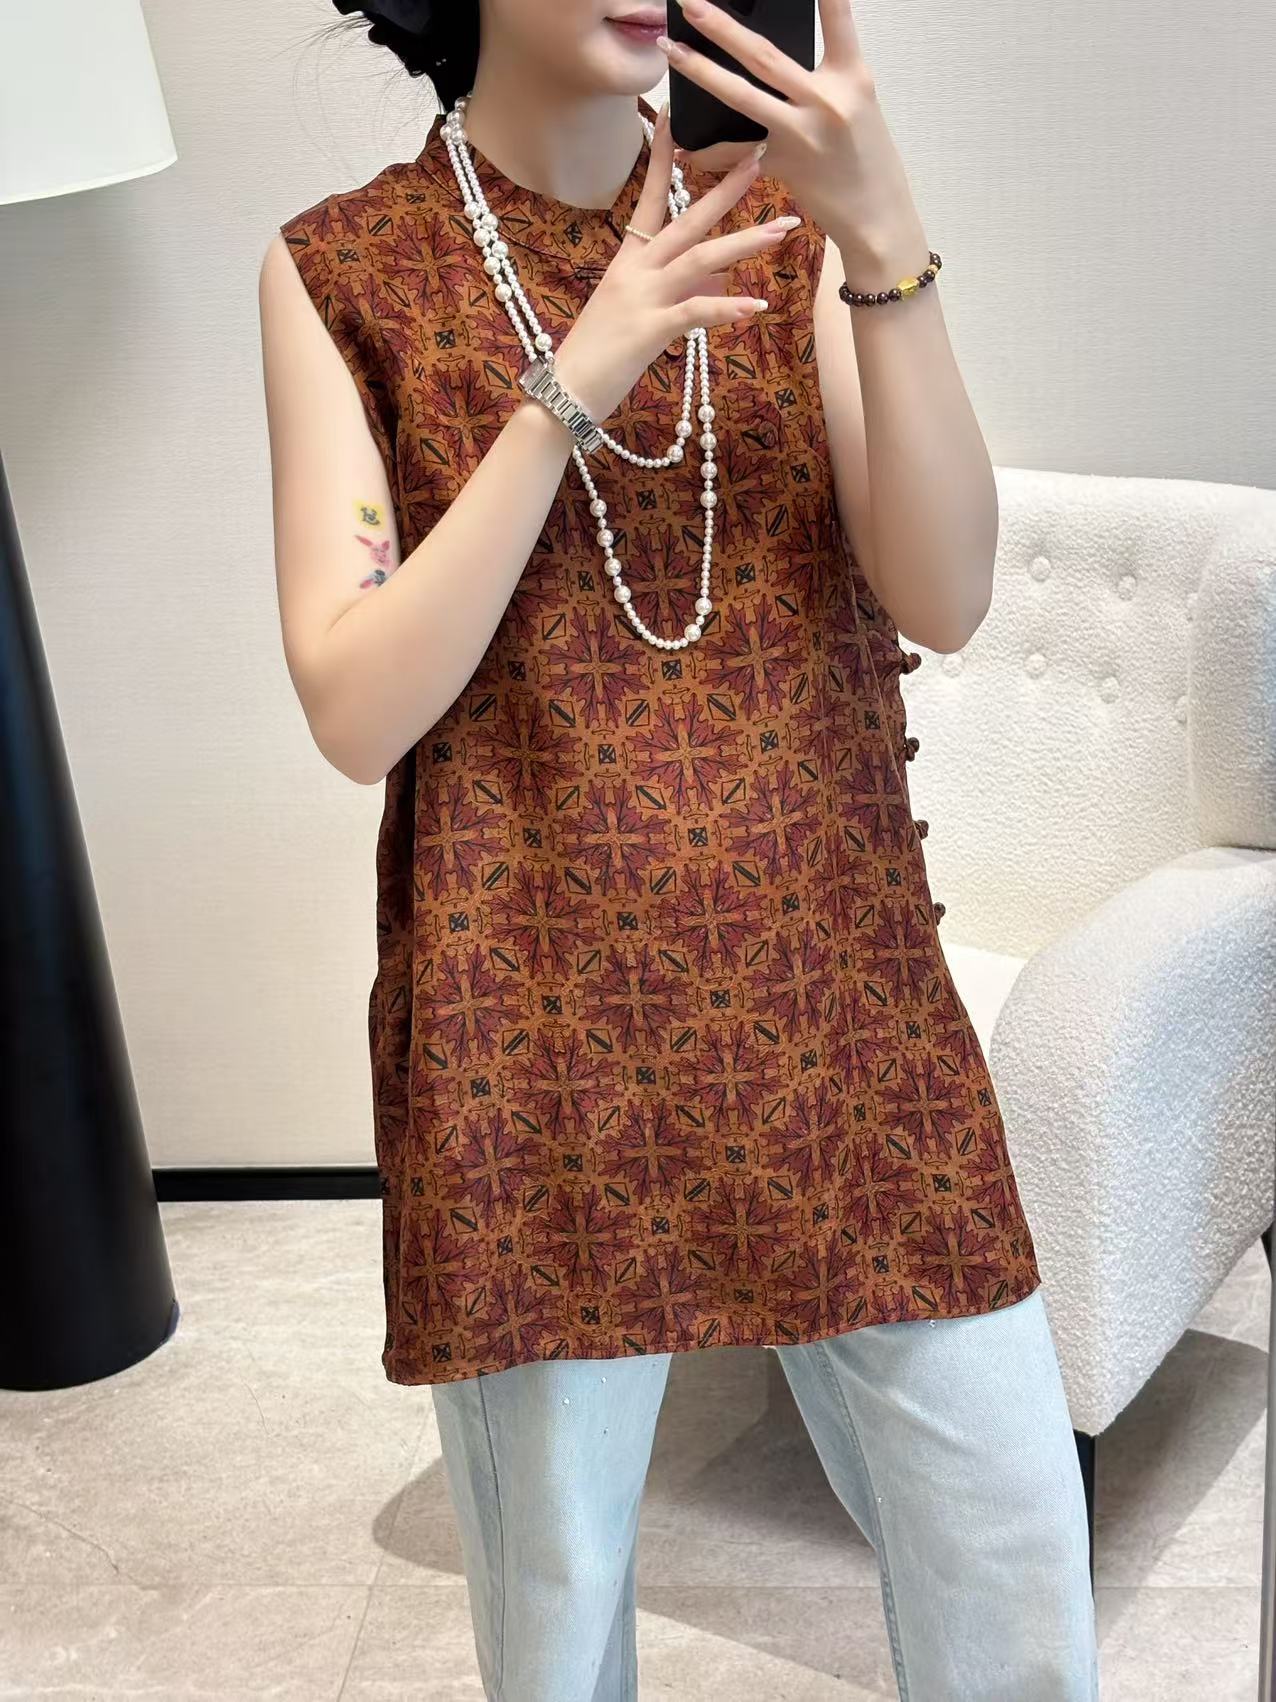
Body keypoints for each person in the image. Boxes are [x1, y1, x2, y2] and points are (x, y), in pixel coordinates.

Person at [259, 1, 1099, 1694]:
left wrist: (884, 236)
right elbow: (354, 706)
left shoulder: (786, 232)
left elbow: (946, 595)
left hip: (846, 1013)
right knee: (561, 1601)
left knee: (1009, 1540)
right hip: (535, 1044)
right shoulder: (345, 268)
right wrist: (571, 383)